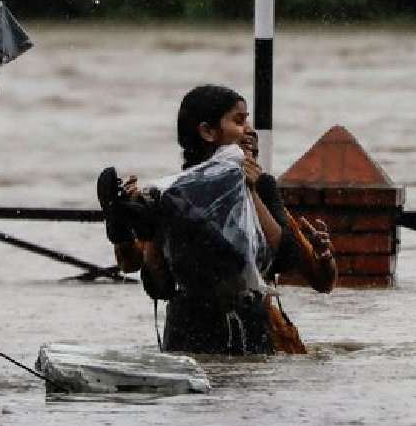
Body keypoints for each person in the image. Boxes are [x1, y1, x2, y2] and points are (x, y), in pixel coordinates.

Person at [97, 84, 336, 354]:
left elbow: (290, 257)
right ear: (208, 132)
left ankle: (134, 217)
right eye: (239, 120)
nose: (249, 129)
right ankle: (133, 217)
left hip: (226, 328)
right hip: (212, 329)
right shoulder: (173, 196)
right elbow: (157, 283)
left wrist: (252, 190)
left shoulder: (257, 187)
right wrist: (149, 230)